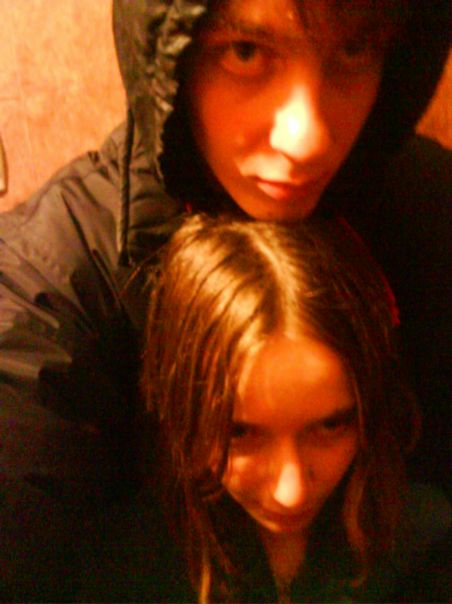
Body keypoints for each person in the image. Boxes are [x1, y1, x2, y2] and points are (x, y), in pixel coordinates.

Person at [0, 0, 450, 601]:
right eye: (245, 52)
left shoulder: (434, 209)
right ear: (172, 52)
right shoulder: (47, 287)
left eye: (353, 50)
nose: (306, 139)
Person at [79, 214, 450, 603]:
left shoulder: (427, 544)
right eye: (238, 433)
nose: (291, 493)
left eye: (331, 426)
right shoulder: (120, 568)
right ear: (180, 407)